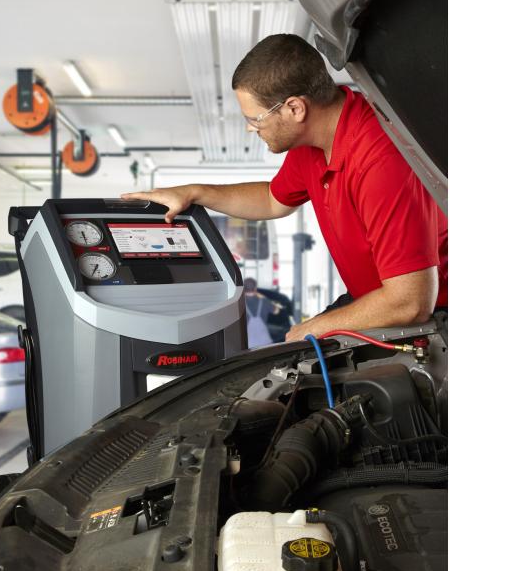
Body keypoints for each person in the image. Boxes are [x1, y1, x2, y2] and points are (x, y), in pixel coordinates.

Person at [121, 33, 447, 342]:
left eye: (256, 119)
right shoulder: (313, 144)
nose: (252, 129)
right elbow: (271, 200)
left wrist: (316, 326)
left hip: (432, 315)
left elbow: (412, 302)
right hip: (379, 298)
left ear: (295, 108)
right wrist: (193, 192)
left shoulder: (380, 160)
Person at [243, 277, 275, 347]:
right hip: (266, 343)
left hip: (248, 344)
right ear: (255, 288)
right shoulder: (264, 301)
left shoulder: (240, 303)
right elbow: (276, 310)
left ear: (243, 288)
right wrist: (261, 296)